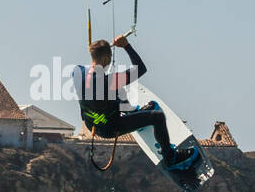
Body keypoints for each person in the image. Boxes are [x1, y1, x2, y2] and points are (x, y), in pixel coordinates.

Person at [72, 35, 194, 167]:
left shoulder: (77, 73)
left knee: (116, 97)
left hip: (93, 125)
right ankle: (170, 158)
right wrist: (126, 45)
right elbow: (141, 68)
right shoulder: (109, 81)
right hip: (110, 128)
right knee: (157, 116)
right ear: (107, 57)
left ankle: (132, 115)